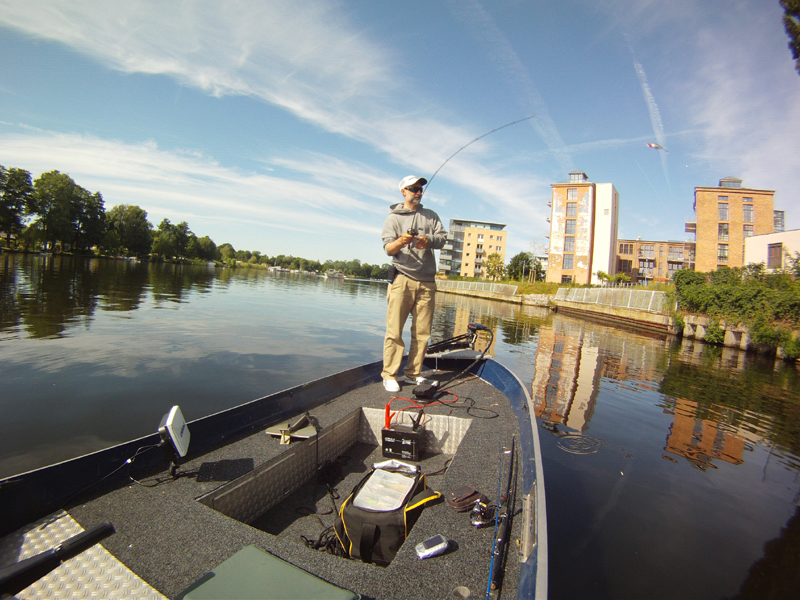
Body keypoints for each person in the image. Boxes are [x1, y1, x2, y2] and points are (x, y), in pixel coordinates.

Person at [381, 175, 447, 392]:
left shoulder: (431, 216)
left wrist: (429, 240)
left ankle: (413, 373)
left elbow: (442, 239)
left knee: (422, 332)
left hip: (427, 282)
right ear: (403, 191)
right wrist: (402, 240)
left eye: (420, 189)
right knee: (395, 331)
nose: (418, 192)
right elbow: (389, 249)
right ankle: (389, 374)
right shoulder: (393, 218)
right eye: (414, 189)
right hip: (402, 279)